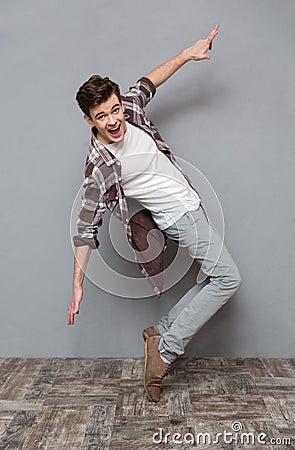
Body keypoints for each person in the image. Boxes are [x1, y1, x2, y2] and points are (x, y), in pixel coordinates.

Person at [68, 24, 241, 402]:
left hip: (192, 202)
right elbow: (85, 228)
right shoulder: (99, 166)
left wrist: (186, 54)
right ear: (89, 120)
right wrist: (78, 283)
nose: (114, 120)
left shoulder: (129, 108)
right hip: (178, 216)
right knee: (228, 280)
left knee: (213, 277)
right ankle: (164, 353)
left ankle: (160, 330)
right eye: (103, 116)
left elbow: (149, 82)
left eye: (114, 109)